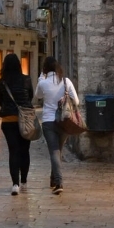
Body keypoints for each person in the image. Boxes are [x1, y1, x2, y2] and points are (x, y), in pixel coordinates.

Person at [35, 56, 79, 195]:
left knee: (54, 151)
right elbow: (76, 101)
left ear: (45, 69)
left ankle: (59, 182)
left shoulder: (43, 83)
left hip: (48, 121)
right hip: (64, 121)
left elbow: (38, 96)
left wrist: (40, 79)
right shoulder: (66, 81)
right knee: (57, 150)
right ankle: (53, 179)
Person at [0, 53, 34, 195]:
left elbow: (0, 100)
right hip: (26, 120)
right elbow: (30, 97)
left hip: (8, 120)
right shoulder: (27, 79)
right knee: (25, 150)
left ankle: (15, 184)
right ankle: (24, 180)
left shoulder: (1, 82)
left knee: (13, 151)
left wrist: (9, 109)